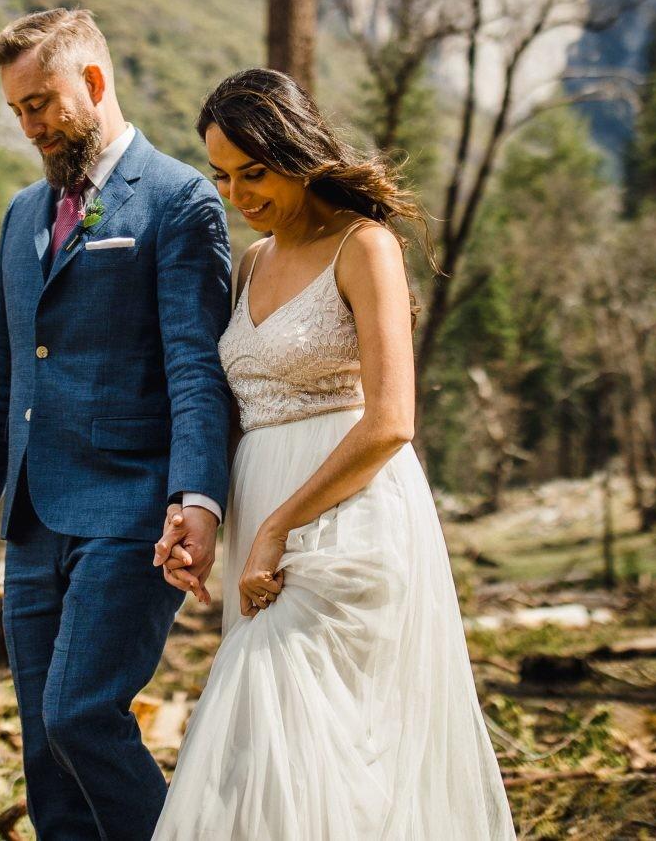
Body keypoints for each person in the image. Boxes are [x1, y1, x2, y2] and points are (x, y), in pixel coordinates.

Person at [151, 67, 516, 839]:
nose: (239, 194)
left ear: (299, 150)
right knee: (291, 751)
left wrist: (281, 525)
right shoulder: (248, 263)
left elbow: (390, 421)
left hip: (348, 513)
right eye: (223, 176)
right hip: (261, 507)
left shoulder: (365, 246)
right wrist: (194, 509)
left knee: (292, 721)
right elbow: (230, 406)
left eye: (255, 171)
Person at [0, 8, 233, 841]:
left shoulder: (180, 200)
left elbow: (198, 370)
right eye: (16, 109)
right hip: (30, 520)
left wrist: (199, 498)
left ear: (94, 83)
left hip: (130, 512)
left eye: (41, 103)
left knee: (78, 715)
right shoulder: (22, 214)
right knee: (44, 755)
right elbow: (1, 376)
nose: (29, 126)